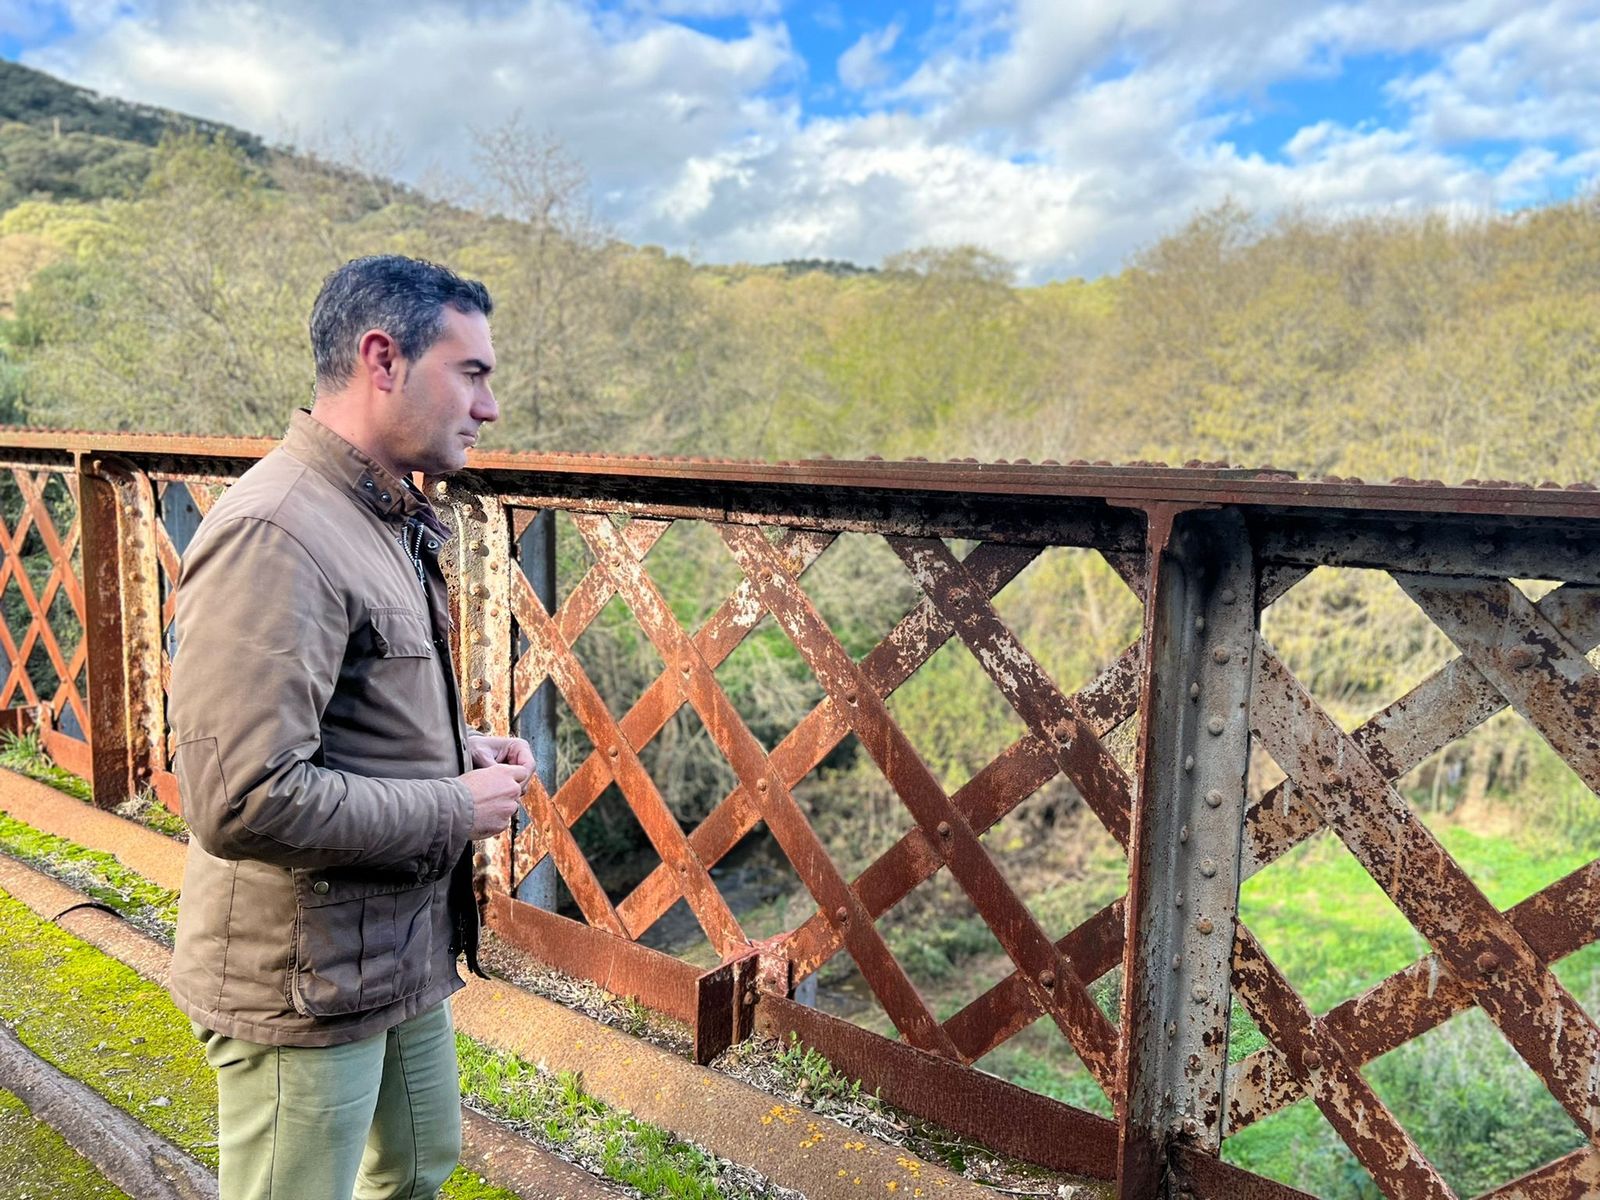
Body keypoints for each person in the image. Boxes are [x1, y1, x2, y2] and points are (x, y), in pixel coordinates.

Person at [167, 255, 533, 1200]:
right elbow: (242, 799)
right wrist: (454, 802)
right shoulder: (280, 531)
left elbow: (352, 717)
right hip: (304, 974)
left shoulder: (374, 513)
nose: (489, 407)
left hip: (391, 953)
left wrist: (461, 753)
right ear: (383, 358)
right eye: (473, 373)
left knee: (417, 1168)